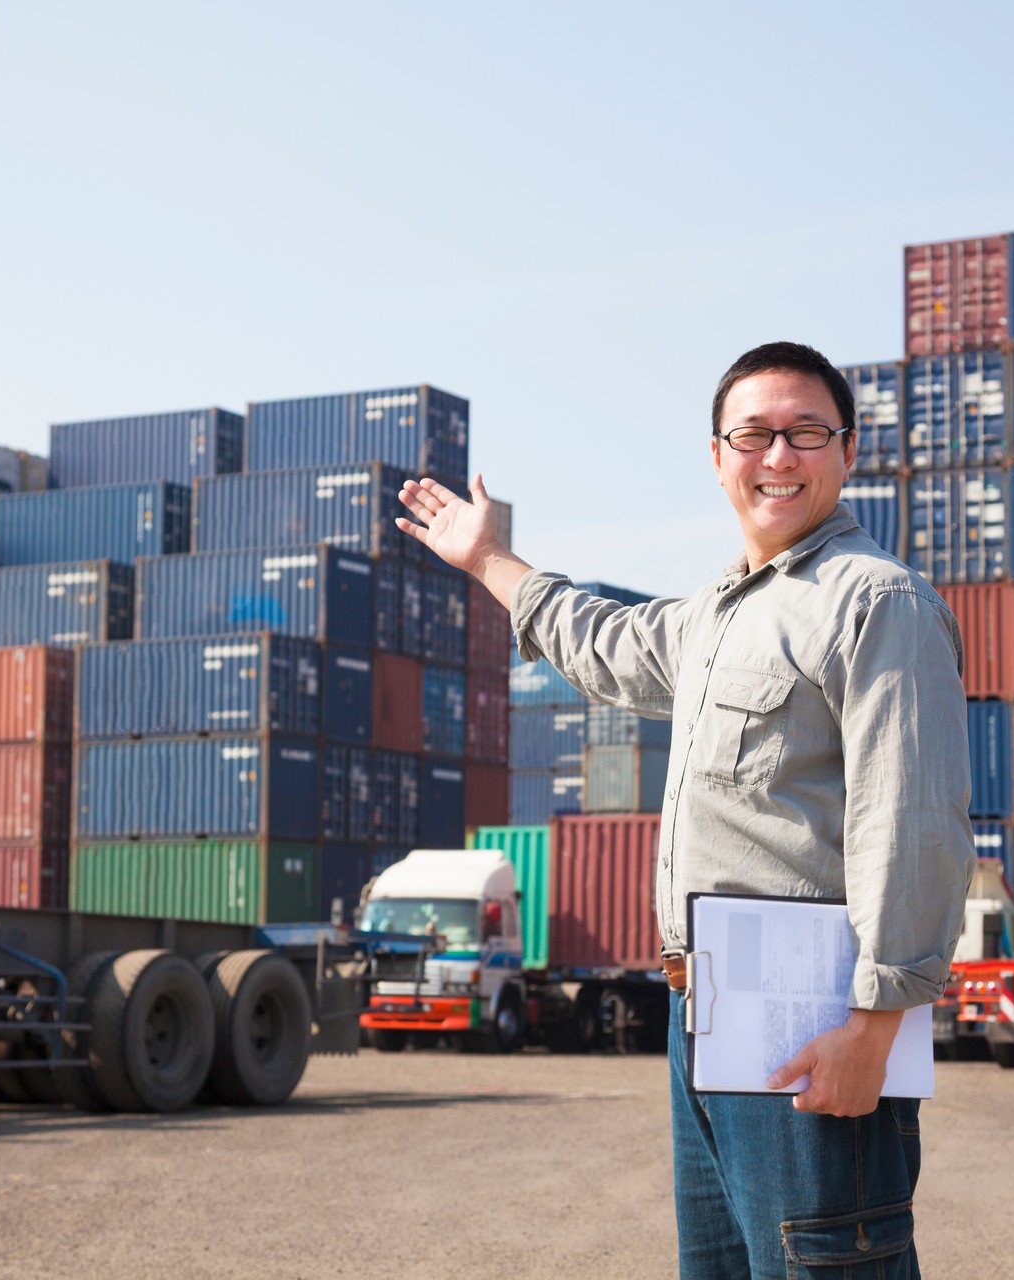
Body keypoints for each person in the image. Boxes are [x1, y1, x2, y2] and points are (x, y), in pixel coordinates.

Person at [396, 340, 974, 1279]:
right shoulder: (711, 617)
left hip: (813, 1025)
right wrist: (490, 559)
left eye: (805, 433)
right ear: (717, 456)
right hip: (703, 1019)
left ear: (849, 451)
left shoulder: (879, 603)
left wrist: (876, 1030)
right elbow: (598, 642)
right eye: (753, 434)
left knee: (824, 1262)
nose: (777, 456)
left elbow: (912, 825)